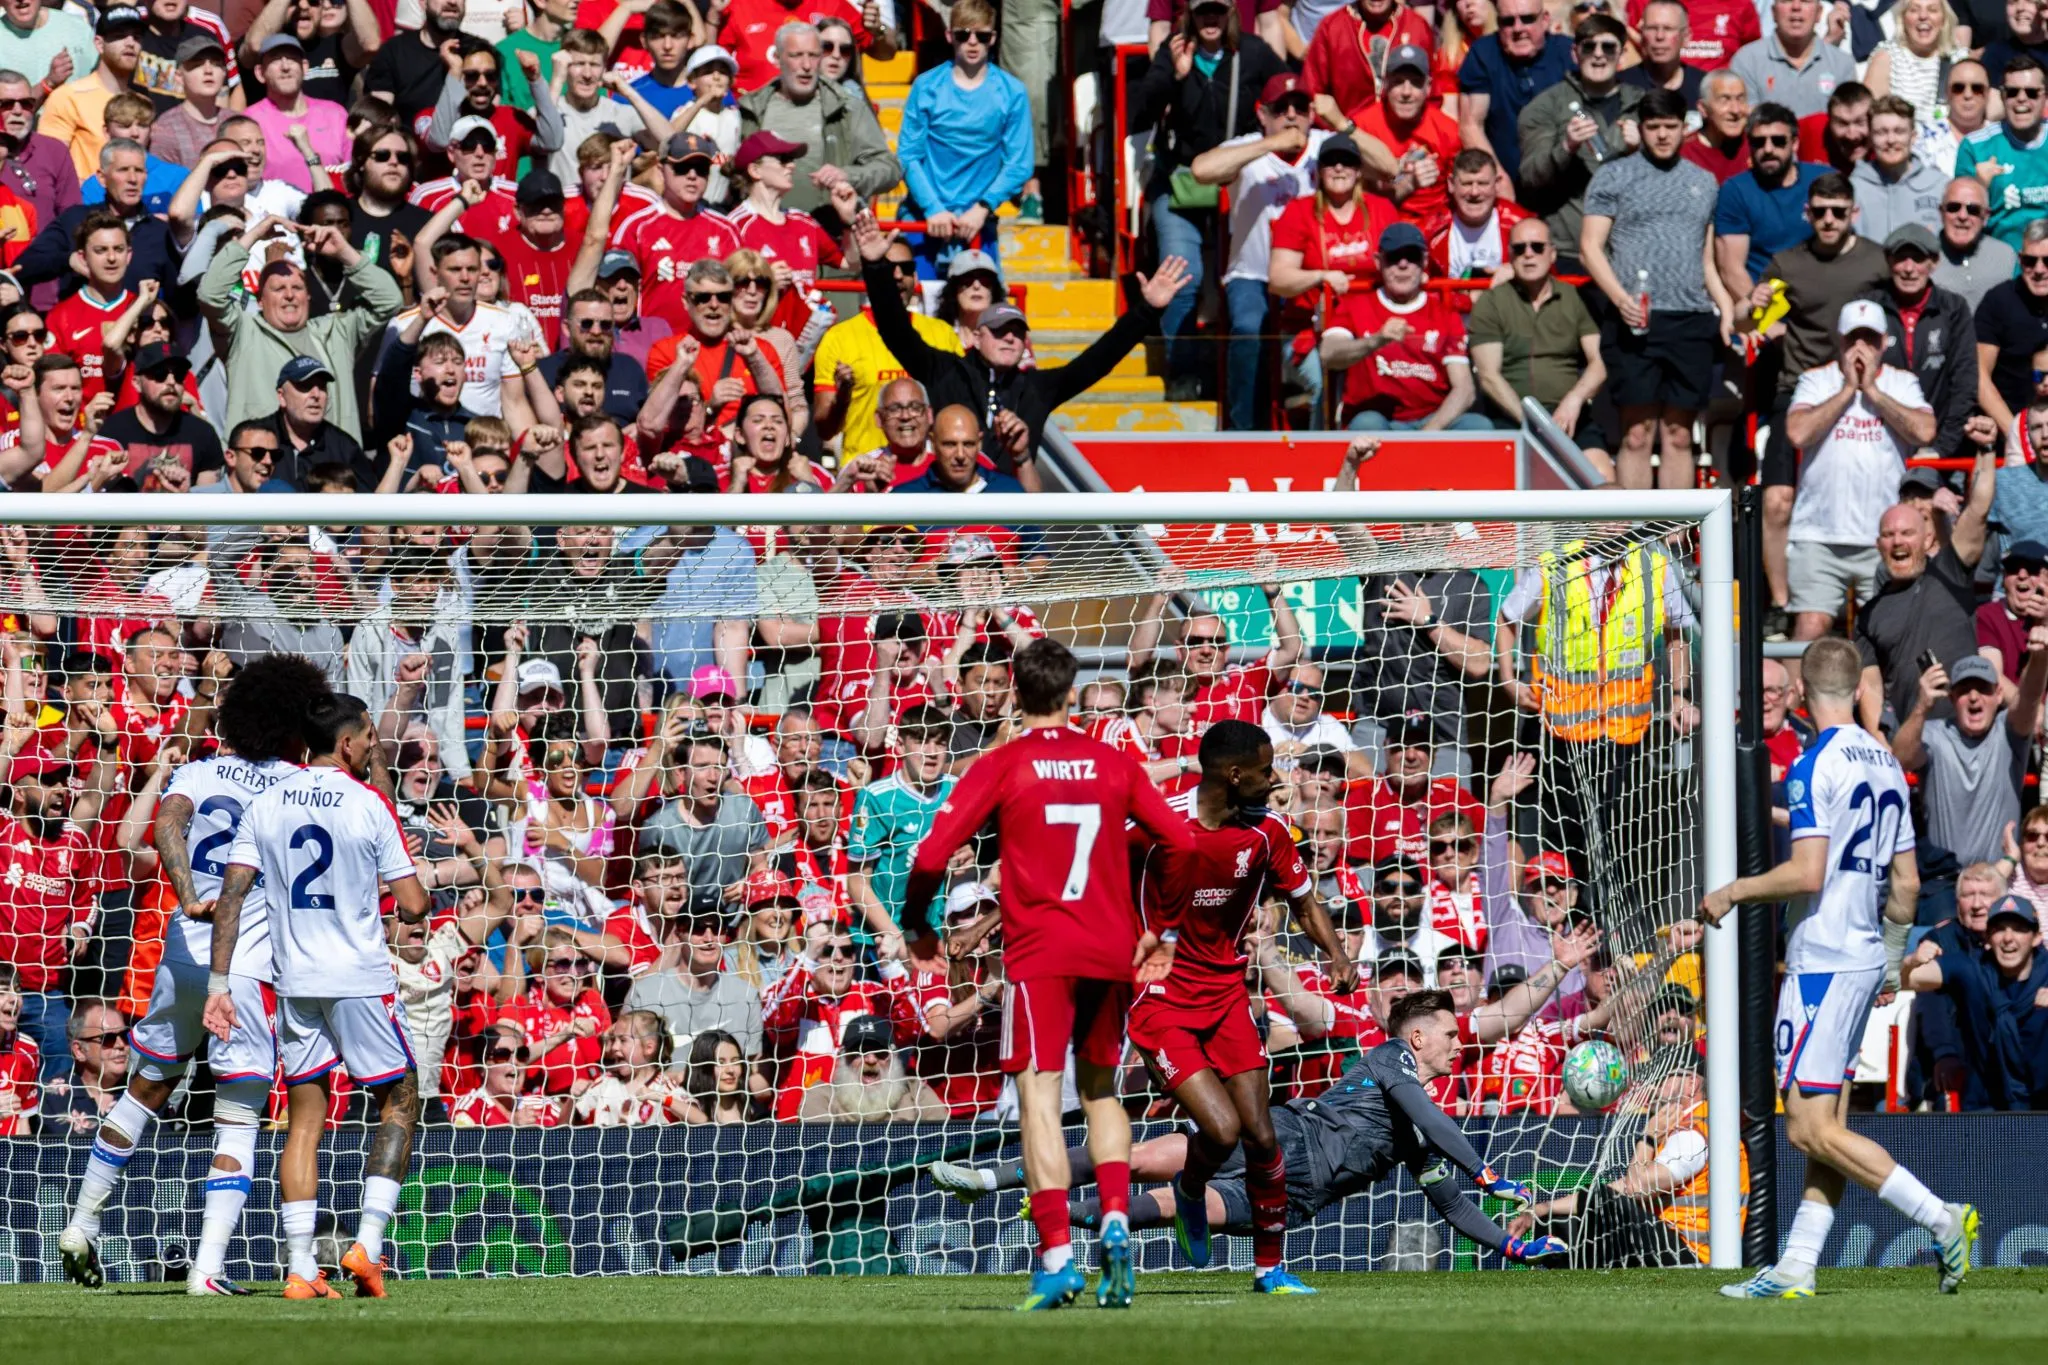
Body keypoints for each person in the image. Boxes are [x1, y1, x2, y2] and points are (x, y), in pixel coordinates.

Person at [901, 638, 1195, 1311]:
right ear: (1070, 694)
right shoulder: (1113, 762)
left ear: (1012, 690)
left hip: (1039, 953)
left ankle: (1059, 1255)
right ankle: (1117, 1217)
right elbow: (1179, 840)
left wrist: (919, 925)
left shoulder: (1004, 764)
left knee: (1038, 1093)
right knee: (1100, 1091)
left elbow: (932, 854)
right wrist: (1163, 927)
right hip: (1109, 948)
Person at [1703, 635, 1978, 1299]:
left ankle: (1941, 1217)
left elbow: (1808, 871)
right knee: (1827, 1125)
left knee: (1805, 1126)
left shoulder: (1811, 762)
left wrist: (1733, 891)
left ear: (1800, 693)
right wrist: (1888, 960)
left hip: (1823, 961)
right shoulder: (1886, 762)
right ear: (1857, 688)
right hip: (1859, 956)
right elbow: (1908, 883)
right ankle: (1797, 1265)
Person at [931, 990, 1570, 1269]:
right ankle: (988, 1176)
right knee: (1148, 1155)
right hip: (1277, 1137)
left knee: (1164, 1208)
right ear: (1420, 1037)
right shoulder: (1389, 1059)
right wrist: (1486, 1169)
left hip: (1293, 1197)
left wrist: (1514, 1248)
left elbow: (1451, 1204)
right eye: (1452, 1036)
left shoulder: (1426, 1127)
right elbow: (1427, 1113)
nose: (1459, 1046)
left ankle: (1052, 1210)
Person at [54, 654, 331, 1295]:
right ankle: (206, 1270)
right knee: (240, 1112)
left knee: (146, 1088)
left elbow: (166, 824)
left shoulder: (198, 771)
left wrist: (184, 890)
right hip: (245, 967)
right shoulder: (295, 784)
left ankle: (81, 1223)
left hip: (181, 954)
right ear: (293, 720)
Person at [202, 693, 430, 1301]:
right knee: (401, 1098)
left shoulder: (266, 803)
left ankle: (302, 1269)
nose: (373, 749)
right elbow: (413, 905)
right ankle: (369, 1246)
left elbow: (231, 895)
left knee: (305, 1119)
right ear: (349, 744)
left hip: (294, 982)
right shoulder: (368, 804)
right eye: (369, 741)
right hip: (358, 978)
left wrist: (219, 984)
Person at [1122, 719, 1353, 1291]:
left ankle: (1271, 1269)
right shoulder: (1154, 824)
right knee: (1220, 1132)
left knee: (1263, 1137)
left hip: (1226, 995)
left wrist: (1337, 955)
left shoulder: (1268, 832)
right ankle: (1190, 1189)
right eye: (1265, 768)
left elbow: (1304, 902)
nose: (1274, 779)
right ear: (1233, 774)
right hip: (1161, 997)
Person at [852, 205, 1186, 487]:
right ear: (978, 336)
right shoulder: (944, 371)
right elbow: (896, 330)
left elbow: (1099, 359)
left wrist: (1147, 311)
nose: (1009, 338)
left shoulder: (1038, 388)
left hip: (1007, 520)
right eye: (998, 331)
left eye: (1017, 331)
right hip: (946, 511)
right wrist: (876, 268)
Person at [1580, 88, 1737, 489]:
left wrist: (1725, 309)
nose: (1663, 136)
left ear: (1685, 128)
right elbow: (1590, 248)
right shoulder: (1613, 175)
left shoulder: (1704, 182)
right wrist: (1620, 299)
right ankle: (1635, 546)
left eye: (1670, 126)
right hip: (1635, 321)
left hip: (1691, 320)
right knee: (1636, 433)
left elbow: (1706, 260)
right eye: (1654, 127)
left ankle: (1675, 545)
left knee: (1679, 434)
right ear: (1640, 129)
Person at [1753, 173, 1891, 615]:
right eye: (1820, 212)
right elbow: (1749, 321)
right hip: (1799, 388)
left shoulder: (1878, 261)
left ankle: (1882, 606)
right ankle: (1779, 605)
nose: (1828, 220)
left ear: (1854, 212)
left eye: (1838, 211)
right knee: (1776, 501)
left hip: (1865, 388)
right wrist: (1751, 309)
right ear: (1806, 213)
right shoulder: (1786, 263)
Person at [1784, 302, 1939, 639]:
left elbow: (1925, 431)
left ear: (1884, 343)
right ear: (1840, 341)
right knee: (1811, 626)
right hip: (1819, 533)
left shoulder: (1902, 383)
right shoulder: (1816, 380)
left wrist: (1872, 391)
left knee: (1889, 628)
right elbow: (1797, 433)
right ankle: (1795, 694)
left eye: (1870, 340)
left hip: (1884, 535)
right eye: (1854, 339)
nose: (1861, 349)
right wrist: (1847, 391)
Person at [1895, 647, 2048, 922]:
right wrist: (1921, 707)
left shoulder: (2009, 732)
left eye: (1983, 689)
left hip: (2001, 877)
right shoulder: (1933, 733)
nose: (1974, 697)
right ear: (1952, 698)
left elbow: (2029, 697)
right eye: (1965, 690)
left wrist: (2040, 657)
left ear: (1998, 695)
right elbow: (1900, 760)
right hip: (1946, 885)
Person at [895, 3, 1033, 278]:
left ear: (993, 38)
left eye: (981, 36)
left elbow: (1020, 164)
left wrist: (982, 208)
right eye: (963, 35)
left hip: (977, 223)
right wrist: (933, 208)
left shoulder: (1012, 92)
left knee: (979, 313)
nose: (972, 43)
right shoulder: (926, 85)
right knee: (919, 312)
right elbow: (908, 155)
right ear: (949, 36)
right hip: (924, 219)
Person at [1319, 221, 1483, 432]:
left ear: (1424, 261)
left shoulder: (1444, 315)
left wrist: (1428, 433)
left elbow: (1465, 390)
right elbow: (1328, 353)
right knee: (1368, 423)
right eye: (1394, 257)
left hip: (1431, 420)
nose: (1403, 264)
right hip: (1377, 420)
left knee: (1478, 426)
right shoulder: (1355, 306)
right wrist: (1376, 341)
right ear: (1378, 262)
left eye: (1412, 256)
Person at [1468, 217, 1607, 461]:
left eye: (1537, 247)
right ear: (1510, 255)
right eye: (1520, 248)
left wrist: (1574, 400)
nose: (1529, 254)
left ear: (1552, 254)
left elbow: (1600, 362)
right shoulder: (1491, 302)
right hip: (1510, 418)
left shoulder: (1574, 298)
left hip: (1569, 415)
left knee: (1602, 477)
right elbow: (1489, 376)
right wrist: (1533, 423)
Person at [1516, 13, 1644, 273]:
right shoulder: (1545, 107)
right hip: (1569, 251)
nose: (1598, 55)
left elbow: (1669, 175)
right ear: (1575, 54)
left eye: (1608, 47)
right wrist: (1566, 147)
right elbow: (1530, 176)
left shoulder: (1644, 106)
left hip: (1631, 248)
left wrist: (1640, 151)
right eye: (1589, 47)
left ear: (1623, 54)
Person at [734, 20, 900, 218]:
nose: (806, 65)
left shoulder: (848, 108)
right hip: (763, 233)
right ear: (777, 59)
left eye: (813, 56)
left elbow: (889, 169)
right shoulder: (750, 109)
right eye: (796, 56)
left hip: (828, 232)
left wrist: (847, 175)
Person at [812, 238, 962, 457]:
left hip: (929, 475)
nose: (898, 276)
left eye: (907, 269)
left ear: (916, 277)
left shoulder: (944, 334)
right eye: (889, 268)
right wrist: (842, 397)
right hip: (865, 474)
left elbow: (961, 411)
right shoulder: (839, 338)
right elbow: (824, 431)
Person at [1903, 893, 2048, 1108]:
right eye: (1999, 929)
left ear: (2036, 938)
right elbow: (1903, 981)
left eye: (2019, 929)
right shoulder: (1971, 968)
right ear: (1988, 938)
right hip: (1984, 1106)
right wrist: (1911, 960)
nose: (2008, 938)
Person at [1863, 224, 1977, 457]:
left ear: (1933, 262)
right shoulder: (1868, 306)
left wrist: (1941, 448)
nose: (1908, 268)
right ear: (1888, 260)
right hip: (1877, 444)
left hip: (1936, 446)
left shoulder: (1953, 309)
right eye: (1901, 259)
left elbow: (1964, 383)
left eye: (1917, 259)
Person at [1456, 0, 1575, 185]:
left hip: (1564, 180)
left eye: (1527, 19)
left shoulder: (1569, 52)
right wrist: (1499, 180)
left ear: (1544, 20)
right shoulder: (1483, 54)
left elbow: (1587, 110)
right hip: (1506, 182)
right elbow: (1471, 126)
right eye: (1508, 21)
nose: (1518, 28)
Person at [40, 6, 148, 182]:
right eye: (120, 36)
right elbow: (49, 164)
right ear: (99, 44)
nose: (130, 43)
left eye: (137, 37)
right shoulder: (68, 97)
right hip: (84, 203)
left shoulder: (142, 101)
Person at [1957, 53, 2048, 248]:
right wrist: (1979, 186)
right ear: (2003, 96)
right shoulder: (1975, 147)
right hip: (2000, 266)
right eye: (2012, 92)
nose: (2021, 99)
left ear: (2045, 97)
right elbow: (1958, 223)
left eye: (2031, 92)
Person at [1730, 0, 1859, 120]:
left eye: (1805, 0)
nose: (1796, 7)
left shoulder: (1842, 65)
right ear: (1773, 12)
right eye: (1787, 0)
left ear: (1819, 13)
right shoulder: (1746, 62)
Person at [1850, 96, 1945, 244]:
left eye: (1899, 131)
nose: (1890, 140)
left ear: (1913, 137)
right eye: (1881, 132)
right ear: (1870, 138)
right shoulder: (1854, 188)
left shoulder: (1939, 186)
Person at [1933, 177, 2016, 311]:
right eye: (1953, 207)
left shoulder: (2006, 255)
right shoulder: (1925, 256)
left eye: (1973, 210)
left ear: (1986, 216)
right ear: (1941, 212)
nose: (1962, 216)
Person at [1687, 69, 1755, 184]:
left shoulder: (1758, 145)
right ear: (1703, 109)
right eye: (1724, 100)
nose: (1735, 110)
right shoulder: (1685, 153)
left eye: (1741, 99)